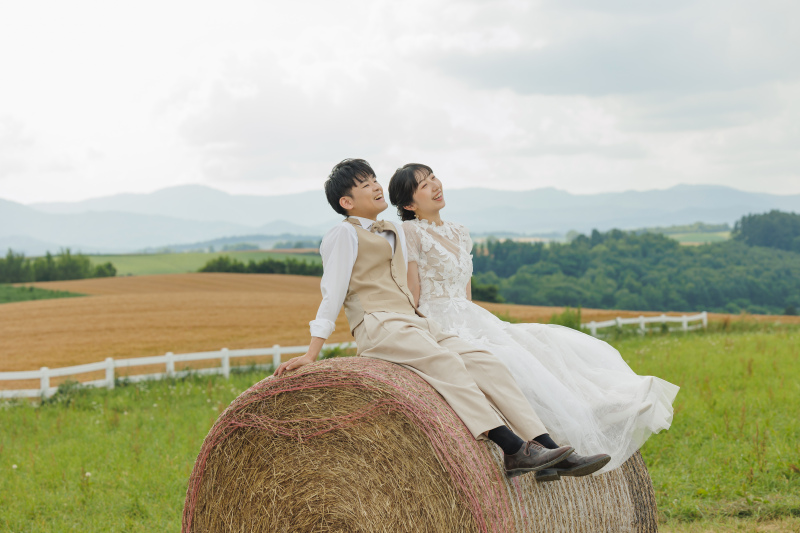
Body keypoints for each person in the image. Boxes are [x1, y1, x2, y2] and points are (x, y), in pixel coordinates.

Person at [274, 158, 610, 480]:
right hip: (378, 325)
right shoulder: (342, 235)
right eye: (365, 184)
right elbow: (331, 294)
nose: (376, 187)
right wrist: (311, 353)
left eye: (375, 179)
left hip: (413, 320)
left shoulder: (394, 230)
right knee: (446, 363)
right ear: (346, 201)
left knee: (484, 362)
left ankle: (551, 451)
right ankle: (511, 448)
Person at [387, 163, 679, 479]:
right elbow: (412, 292)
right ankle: (547, 447)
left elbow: (465, 291)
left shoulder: (460, 232)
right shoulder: (409, 232)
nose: (435, 185)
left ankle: (584, 418)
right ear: (409, 204)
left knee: (539, 340)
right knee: (506, 359)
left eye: (433, 178)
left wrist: (481, 322)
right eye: (423, 185)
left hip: (470, 315)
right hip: (439, 318)